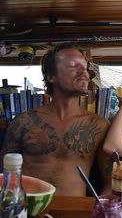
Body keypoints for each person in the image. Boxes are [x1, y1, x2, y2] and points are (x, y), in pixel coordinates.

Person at [0, 43, 111, 197]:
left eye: (85, 68)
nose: (84, 73)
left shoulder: (98, 125)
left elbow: (111, 183)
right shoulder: (23, 121)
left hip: (74, 211)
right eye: (73, 66)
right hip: (28, 209)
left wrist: (100, 211)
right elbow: (4, 175)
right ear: (51, 76)